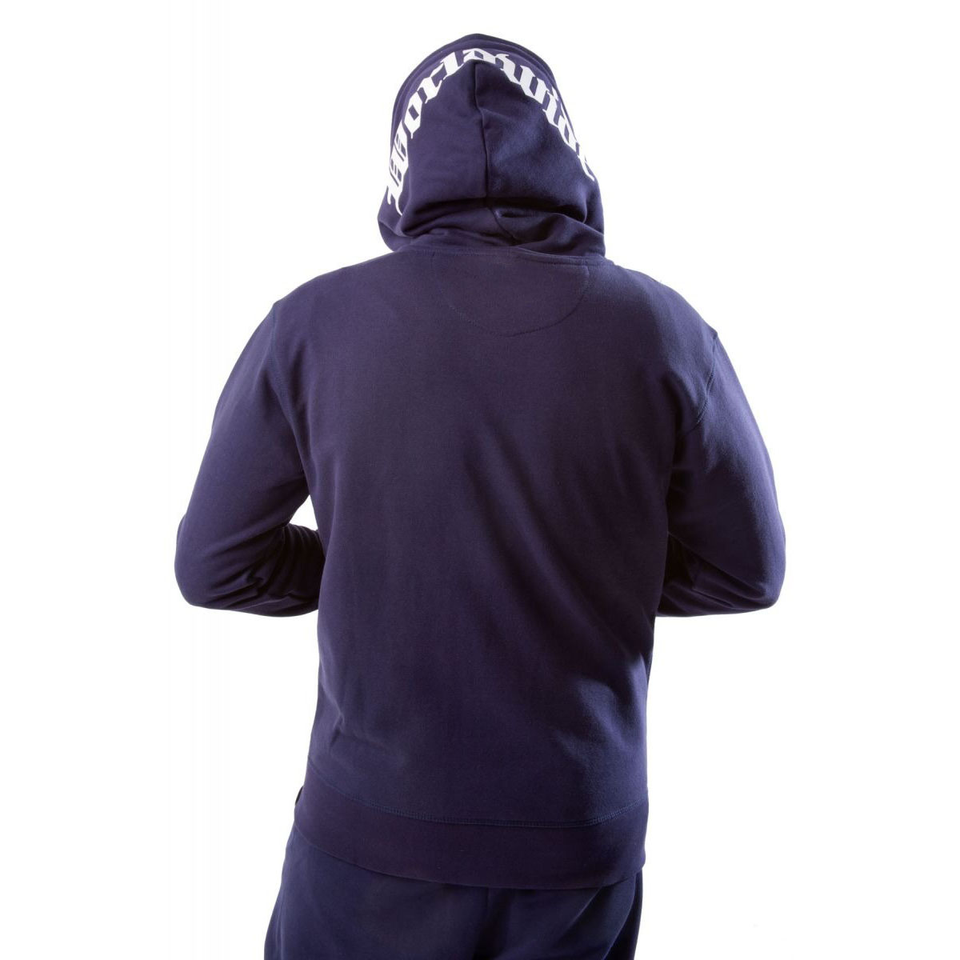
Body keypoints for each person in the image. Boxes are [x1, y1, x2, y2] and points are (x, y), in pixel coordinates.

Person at [174, 31, 786, 960]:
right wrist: (585, 566)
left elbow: (215, 564)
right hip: (576, 842)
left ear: (406, 174)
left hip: (373, 836)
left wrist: (369, 559)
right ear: (569, 161)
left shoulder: (312, 324)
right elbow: (749, 571)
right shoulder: (664, 330)